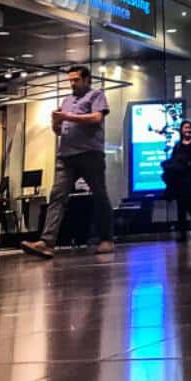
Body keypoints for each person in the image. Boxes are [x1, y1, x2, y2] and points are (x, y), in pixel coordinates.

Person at [21, 66, 114, 259]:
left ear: (87, 79)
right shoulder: (67, 100)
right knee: (57, 196)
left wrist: (67, 116)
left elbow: (96, 118)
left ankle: (106, 239)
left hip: (90, 154)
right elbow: (60, 130)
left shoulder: (96, 95)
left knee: (100, 196)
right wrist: (56, 122)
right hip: (66, 155)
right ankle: (47, 242)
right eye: (70, 80)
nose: (72, 83)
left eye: (76, 80)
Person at [168, 121, 191, 242]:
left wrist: (184, 161)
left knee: (187, 201)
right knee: (180, 204)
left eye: (189, 127)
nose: (187, 129)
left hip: (190, 176)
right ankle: (182, 232)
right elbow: (173, 159)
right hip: (179, 178)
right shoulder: (177, 145)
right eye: (185, 127)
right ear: (181, 130)